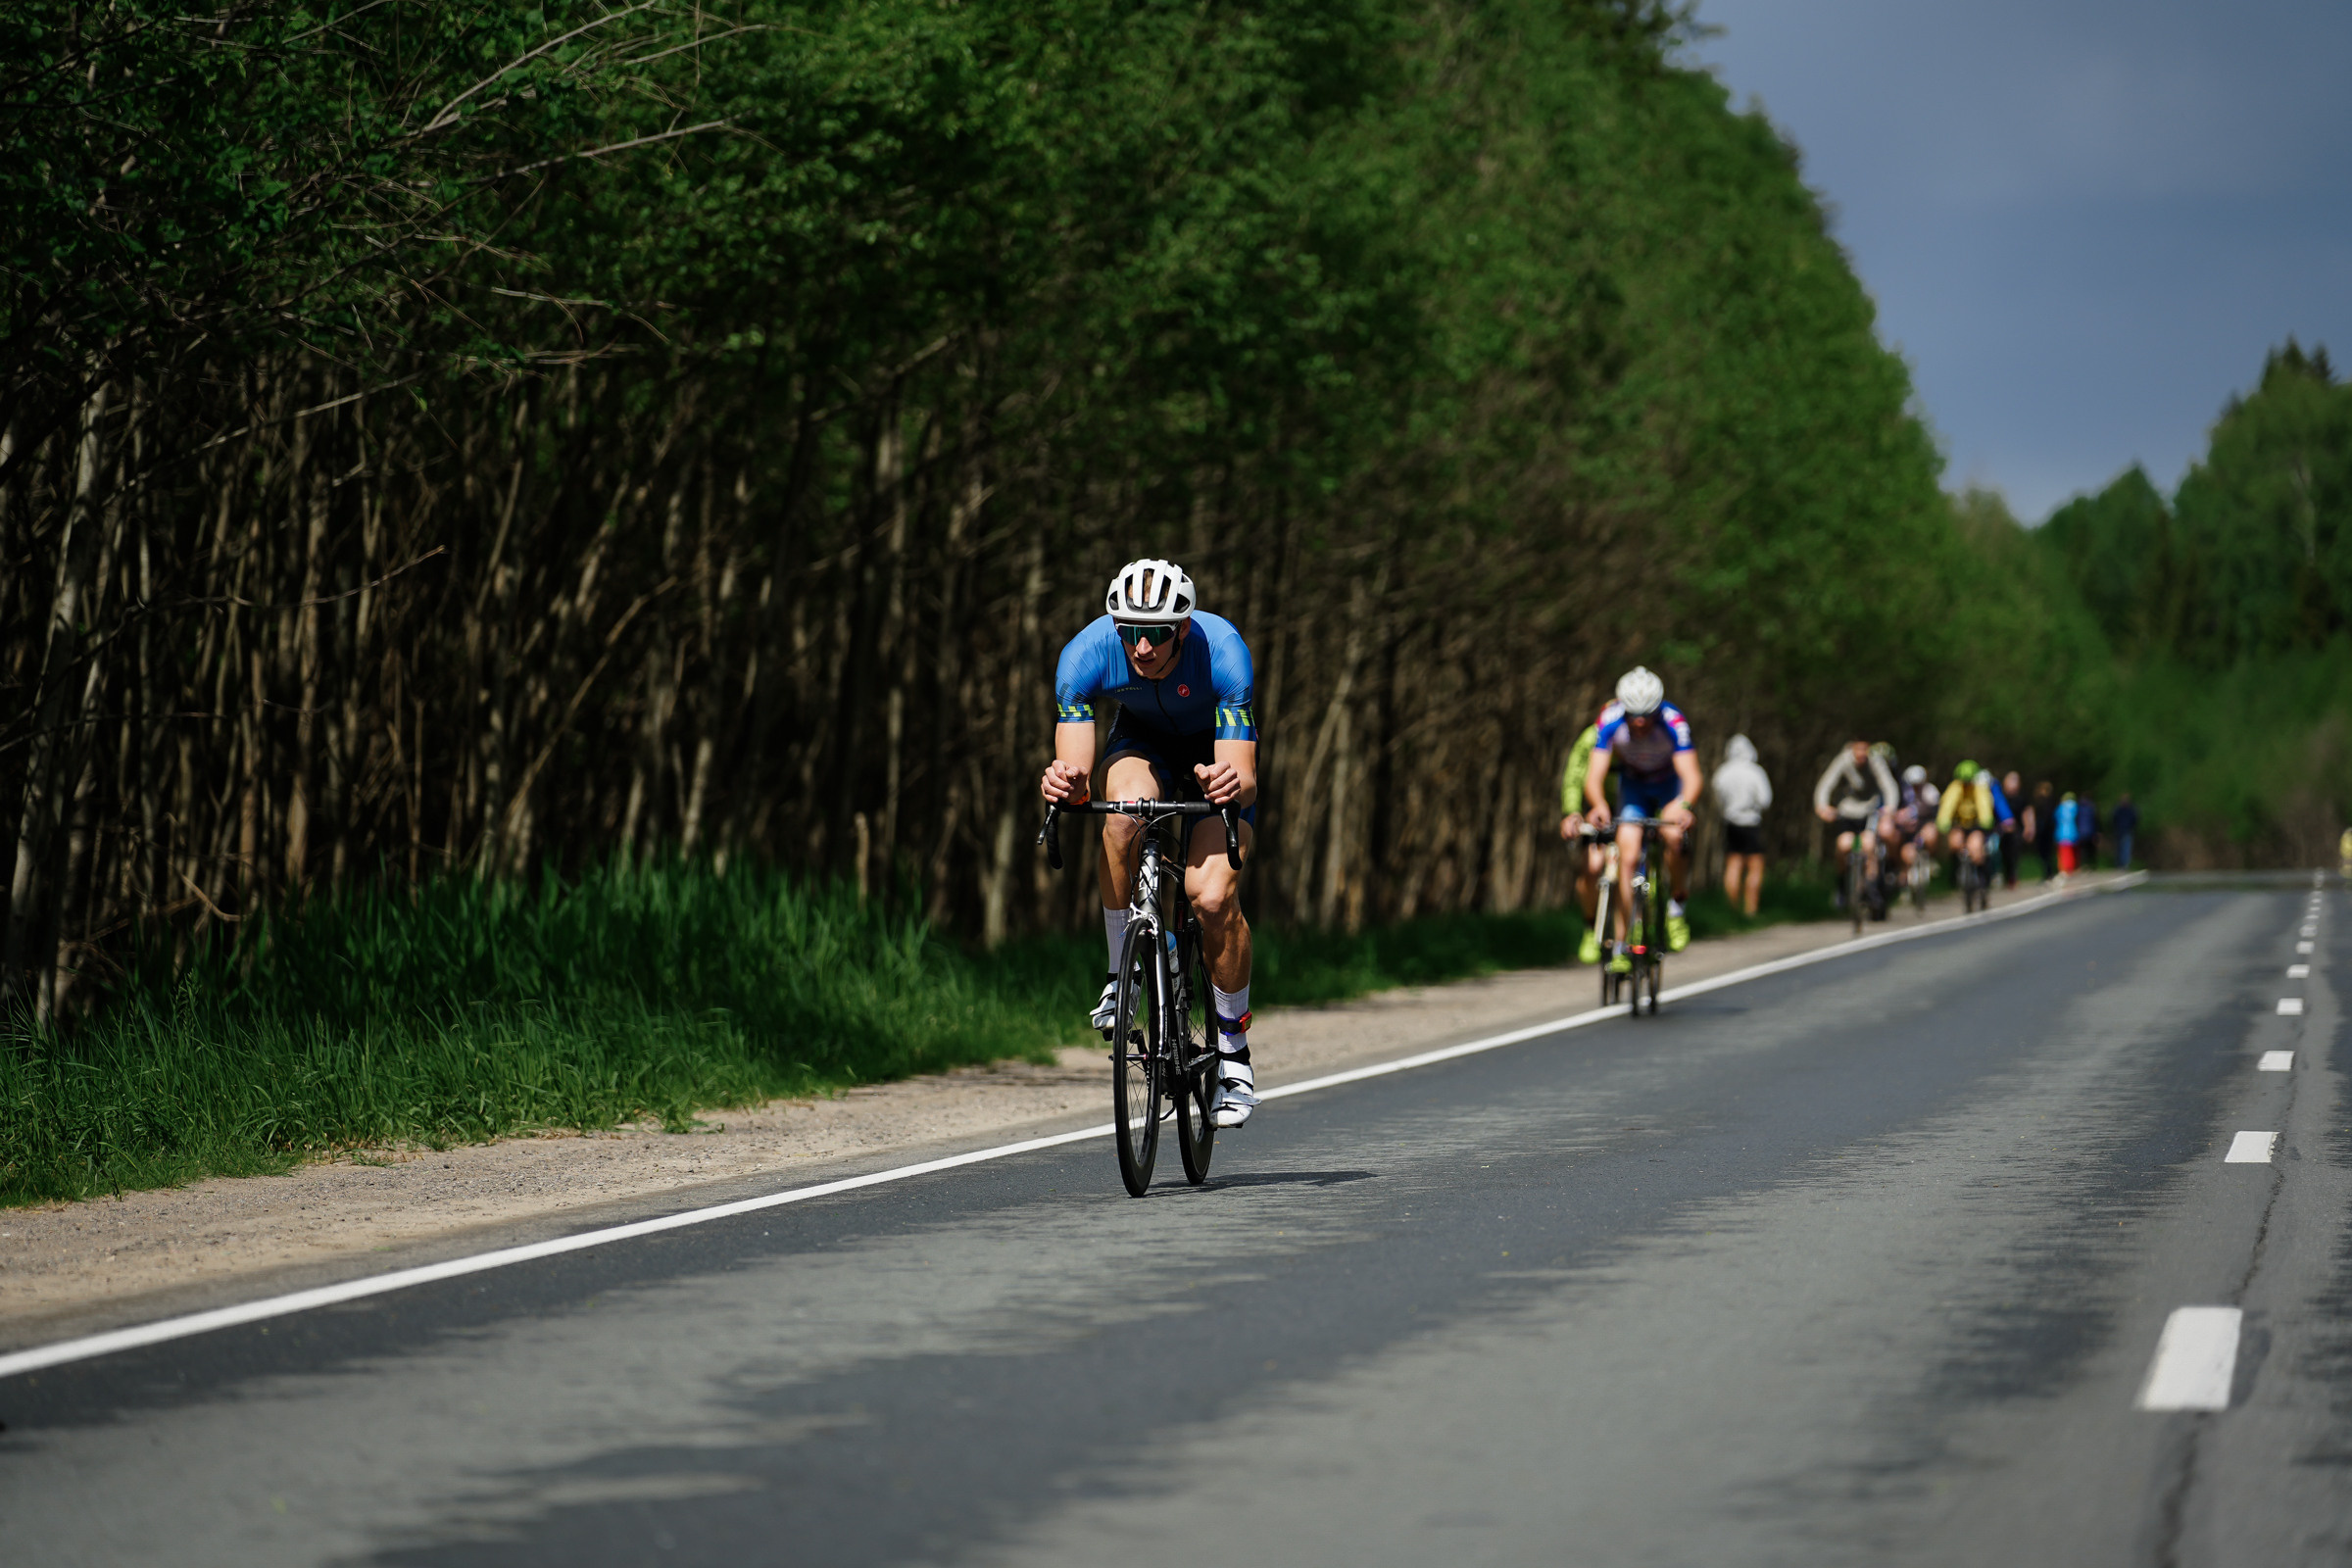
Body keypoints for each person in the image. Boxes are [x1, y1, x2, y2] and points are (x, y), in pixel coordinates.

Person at [1042, 559, 1261, 1128]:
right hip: (1142, 744)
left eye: (1157, 633)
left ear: (1182, 629)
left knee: (1211, 897)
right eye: (1130, 632)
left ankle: (1234, 1053)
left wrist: (1227, 783)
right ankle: (1124, 972)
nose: (1141, 648)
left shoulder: (1223, 651)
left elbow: (1245, 777)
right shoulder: (1085, 654)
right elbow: (1077, 775)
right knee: (1121, 817)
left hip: (1215, 754)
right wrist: (1064, 783)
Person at [1585, 665, 1703, 962]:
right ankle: (1625, 939)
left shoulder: (1674, 721)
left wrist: (1684, 805)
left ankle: (1676, 906)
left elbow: (1692, 776)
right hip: (1634, 786)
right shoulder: (1610, 719)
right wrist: (1599, 804)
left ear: (1657, 709)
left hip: (1668, 785)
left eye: (1647, 715)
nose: (1639, 722)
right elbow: (1593, 775)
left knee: (1674, 835)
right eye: (1633, 715)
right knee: (1627, 855)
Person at [1813, 739, 1897, 911]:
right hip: (1848, 811)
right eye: (1858, 750)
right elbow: (1827, 783)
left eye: (1864, 750)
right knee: (1843, 845)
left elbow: (1888, 785)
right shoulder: (1843, 760)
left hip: (1870, 811)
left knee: (1869, 845)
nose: (1861, 755)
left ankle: (1872, 889)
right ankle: (1842, 884)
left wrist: (1890, 807)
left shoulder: (1875, 761)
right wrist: (1822, 806)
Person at [1557, 713, 1611, 962]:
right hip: (1598, 811)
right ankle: (1591, 926)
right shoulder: (1592, 737)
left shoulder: (1649, 736)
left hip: (1635, 807)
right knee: (1592, 868)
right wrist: (1572, 811)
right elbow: (1574, 777)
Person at [1713, 734, 1773, 916]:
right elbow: (1765, 800)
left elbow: (1718, 799)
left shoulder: (1722, 772)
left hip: (1731, 822)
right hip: (1751, 822)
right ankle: (1750, 910)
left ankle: (1731, 911)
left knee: (1733, 864)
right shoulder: (1755, 772)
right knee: (1755, 866)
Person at [1936, 760, 2015, 891]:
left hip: (1976, 825)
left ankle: (1982, 877)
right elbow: (1947, 806)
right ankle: (1958, 868)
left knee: (1976, 847)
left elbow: (1984, 805)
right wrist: (1943, 822)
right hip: (1960, 824)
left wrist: (1986, 821)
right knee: (1954, 842)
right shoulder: (1954, 788)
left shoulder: (1980, 788)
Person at [1999, 771, 2028, 888]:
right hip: (2002, 832)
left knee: (2014, 854)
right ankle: (2006, 877)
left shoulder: (2021, 798)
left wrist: (2028, 827)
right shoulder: (2000, 797)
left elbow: (2026, 813)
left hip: (2016, 831)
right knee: (2003, 855)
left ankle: (2013, 877)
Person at [2032, 781, 2059, 880]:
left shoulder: (2044, 802)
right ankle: (2049, 872)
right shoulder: (2047, 802)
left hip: (2045, 830)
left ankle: (2049, 872)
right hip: (2047, 830)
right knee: (2046, 853)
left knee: (2046, 853)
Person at [2054, 791, 2081, 877]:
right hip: (2073, 832)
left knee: (2064, 852)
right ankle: (2072, 868)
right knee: (2073, 852)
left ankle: (2065, 869)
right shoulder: (2076, 807)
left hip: (2062, 833)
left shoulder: (2060, 808)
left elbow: (2056, 818)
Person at [2112, 793, 2139, 870]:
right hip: (2123, 830)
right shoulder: (2130, 809)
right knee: (2123, 848)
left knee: (2123, 848)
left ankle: (2122, 864)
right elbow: (2135, 819)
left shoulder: (2119, 809)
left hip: (2124, 830)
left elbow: (2113, 819)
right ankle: (2122, 864)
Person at [2080, 794, 2101, 872]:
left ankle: (2085, 865)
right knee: (2092, 850)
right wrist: (2098, 831)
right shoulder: (2092, 807)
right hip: (2091, 832)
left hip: (2082, 832)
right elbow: (2096, 820)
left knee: (2084, 850)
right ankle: (2092, 865)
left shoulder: (2079, 808)